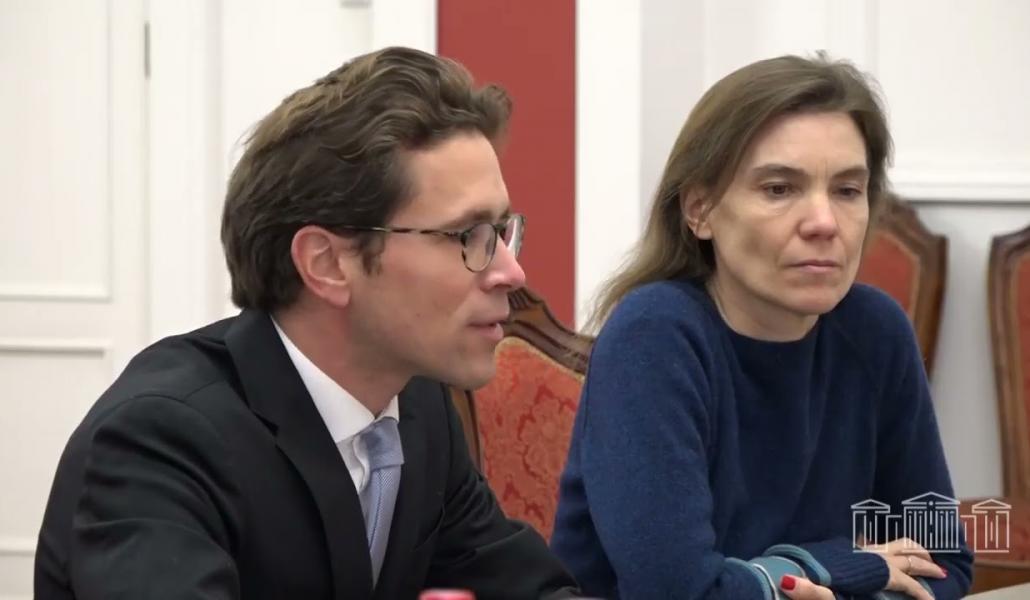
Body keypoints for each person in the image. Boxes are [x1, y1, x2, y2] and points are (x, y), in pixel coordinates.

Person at [35, 46, 579, 599]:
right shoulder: (159, 439)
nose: (511, 272)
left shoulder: (418, 407)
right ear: (327, 264)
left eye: (501, 231)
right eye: (468, 235)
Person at [550, 54, 973, 600]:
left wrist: (776, 582)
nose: (824, 222)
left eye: (847, 191)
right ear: (700, 210)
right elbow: (680, 592)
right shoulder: (653, 336)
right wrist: (838, 565)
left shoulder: (876, 330)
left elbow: (941, 561)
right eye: (779, 189)